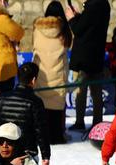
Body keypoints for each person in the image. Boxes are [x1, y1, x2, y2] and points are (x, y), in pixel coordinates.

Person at [0, 63, 51, 165]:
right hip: (27, 154)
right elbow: (41, 131)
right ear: (34, 80)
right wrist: (46, 156)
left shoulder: (2, 98)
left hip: (3, 152)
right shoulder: (35, 101)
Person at [66, 0, 110, 131]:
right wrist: (80, 16)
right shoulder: (103, 4)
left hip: (84, 58)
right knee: (97, 93)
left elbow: (79, 30)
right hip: (97, 55)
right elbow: (90, 26)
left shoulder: (92, 6)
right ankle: (98, 122)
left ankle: (80, 121)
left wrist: (72, 19)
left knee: (81, 91)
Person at [33, 3, 72, 144]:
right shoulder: (63, 30)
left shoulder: (37, 29)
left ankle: (42, 137)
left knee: (42, 107)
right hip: (58, 74)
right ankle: (57, 136)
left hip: (41, 73)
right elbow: (67, 45)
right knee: (57, 107)